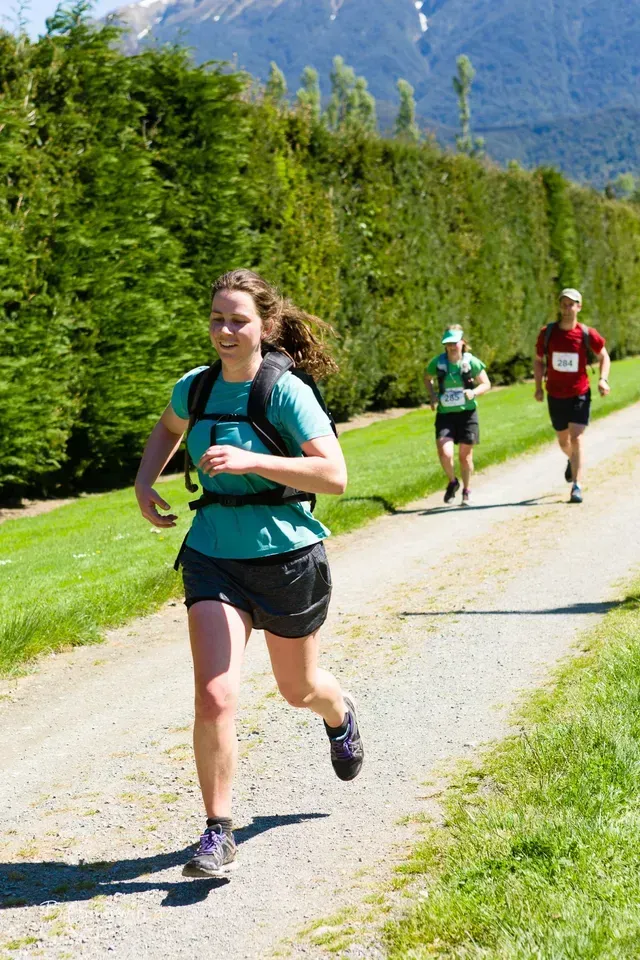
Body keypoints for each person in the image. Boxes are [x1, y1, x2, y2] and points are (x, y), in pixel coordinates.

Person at [134, 269, 364, 879]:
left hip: (287, 558)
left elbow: (335, 476)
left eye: (238, 319)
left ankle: (339, 714)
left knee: (300, 691)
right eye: (216, 319)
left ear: (263, 325)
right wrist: (143, 480)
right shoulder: (197, 387)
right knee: (214, 694)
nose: (225, 330)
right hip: (213, 553)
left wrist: (250, 459)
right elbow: (167, 427)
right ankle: (217, 830)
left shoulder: (285, 392)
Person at [534, 288, 610, 504]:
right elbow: (538, 360)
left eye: (572, 304)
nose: (567, 308)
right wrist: (538, 386)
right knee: (562, 440)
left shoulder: (586, 333)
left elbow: (604, 356)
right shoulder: (547, 333)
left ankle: (576, 485)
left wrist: (603, 379)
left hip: (580, 393)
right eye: (564, 304)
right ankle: (572, 459)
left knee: (576, 437)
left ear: (579, 306)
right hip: (555, 394)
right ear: (560, 307)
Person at [424, 325, 491, 506]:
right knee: (445, 453)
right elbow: (427, 377)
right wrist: (432, 395)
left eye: (455, 343)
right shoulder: (438, 363)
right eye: (448, 343)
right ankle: (453, 481)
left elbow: (486, 383)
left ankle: (467, 490)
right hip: (445, 414)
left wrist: (474, 392)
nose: (452, 347)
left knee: (464, 456)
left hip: (467, 415)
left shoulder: (471, 363)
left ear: (463, 343)